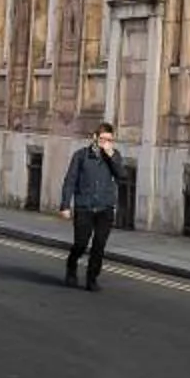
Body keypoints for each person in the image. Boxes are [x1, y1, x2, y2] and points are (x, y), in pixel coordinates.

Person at [58, 122, 122, 290]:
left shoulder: (114, 156)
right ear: (94, 137)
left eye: (109, 140)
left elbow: (122, 175)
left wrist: (111, 156)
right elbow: (70, 181)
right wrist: (65, 205)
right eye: (102, 139)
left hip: (105, 208)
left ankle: (91, 278)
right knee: (80, 244)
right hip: (84, 207)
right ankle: (72, 265)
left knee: (99, 246)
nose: (105, 143)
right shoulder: (80, 156)